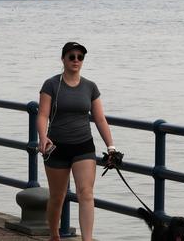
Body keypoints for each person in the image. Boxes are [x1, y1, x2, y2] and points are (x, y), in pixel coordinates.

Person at [37, 42, 116, 241]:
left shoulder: (90, 87)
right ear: (63, 59)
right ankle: (54, 235)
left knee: (86, 193)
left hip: (83, 146)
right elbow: (42, 115)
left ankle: (86, 239)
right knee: (57, 197)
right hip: (57, 147)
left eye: (80, 57)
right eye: (71, 56)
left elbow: (100, 119)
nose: (76, 60)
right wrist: (42, 136)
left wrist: (111, 146)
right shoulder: (51, 84)